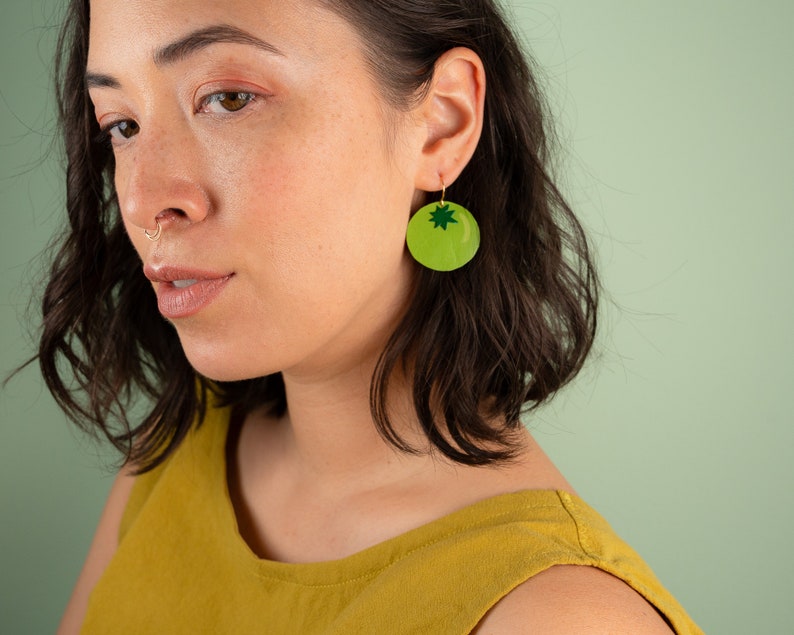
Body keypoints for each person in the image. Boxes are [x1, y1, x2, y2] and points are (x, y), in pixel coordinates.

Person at [38, 0, 702, 632]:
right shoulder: (177, 450)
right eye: (121, 123)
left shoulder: (559, 618)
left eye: (229, 99)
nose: (147, 199)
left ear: (442, 121)